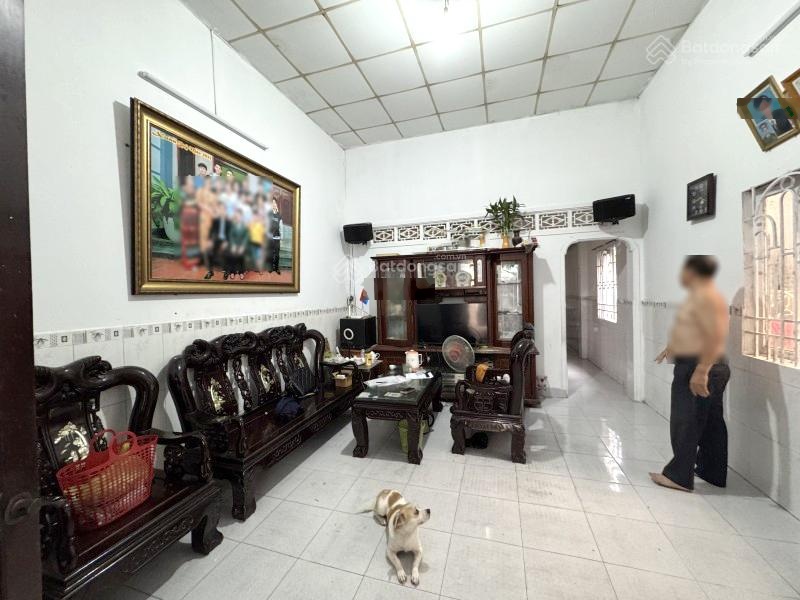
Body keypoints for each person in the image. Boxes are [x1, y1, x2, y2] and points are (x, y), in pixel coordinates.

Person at [651, 255, 730, 492]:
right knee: (711, 423)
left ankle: (678, 477)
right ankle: (711, 471)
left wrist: (701, 371)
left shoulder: (708, 298)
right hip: (708, 366)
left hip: (700, 366)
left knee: (686, 421)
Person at [204, 200, 228, 280]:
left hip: (225, 241)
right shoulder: (216, 220)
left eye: (223, 209)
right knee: (208, 251)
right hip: (216, 239)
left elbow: (230, 234)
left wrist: (227, 242)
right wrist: (210, 240)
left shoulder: (229, 221)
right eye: (220, 209)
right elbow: (211, 230)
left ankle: (226, 271)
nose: (222, 211)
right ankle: (210, 271)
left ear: (225, 210)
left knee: (226, 253)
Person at [225, 208, 249, 280]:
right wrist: (233, 245)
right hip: (234, 245)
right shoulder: (233, 225)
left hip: (242, 245)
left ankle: (241, 272)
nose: (238, 217)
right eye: (237, 216)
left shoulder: (245, 225)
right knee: (232, 255)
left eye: (239, 216)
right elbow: (231, 235)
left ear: (241, 216)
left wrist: (243, 246)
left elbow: (246, 237)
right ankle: (232, 272)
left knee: (241, 256)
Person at [266, 197, 283, 274]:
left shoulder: (279, 215)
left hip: (277, 237)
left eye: (274, 203)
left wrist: (281, 237)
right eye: (272, 203)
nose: (273, 204)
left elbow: (281, 227)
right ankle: (270, 267)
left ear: (276, 204)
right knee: (270, 253)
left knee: (277, 254)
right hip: (270, 237)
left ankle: (276, 268)